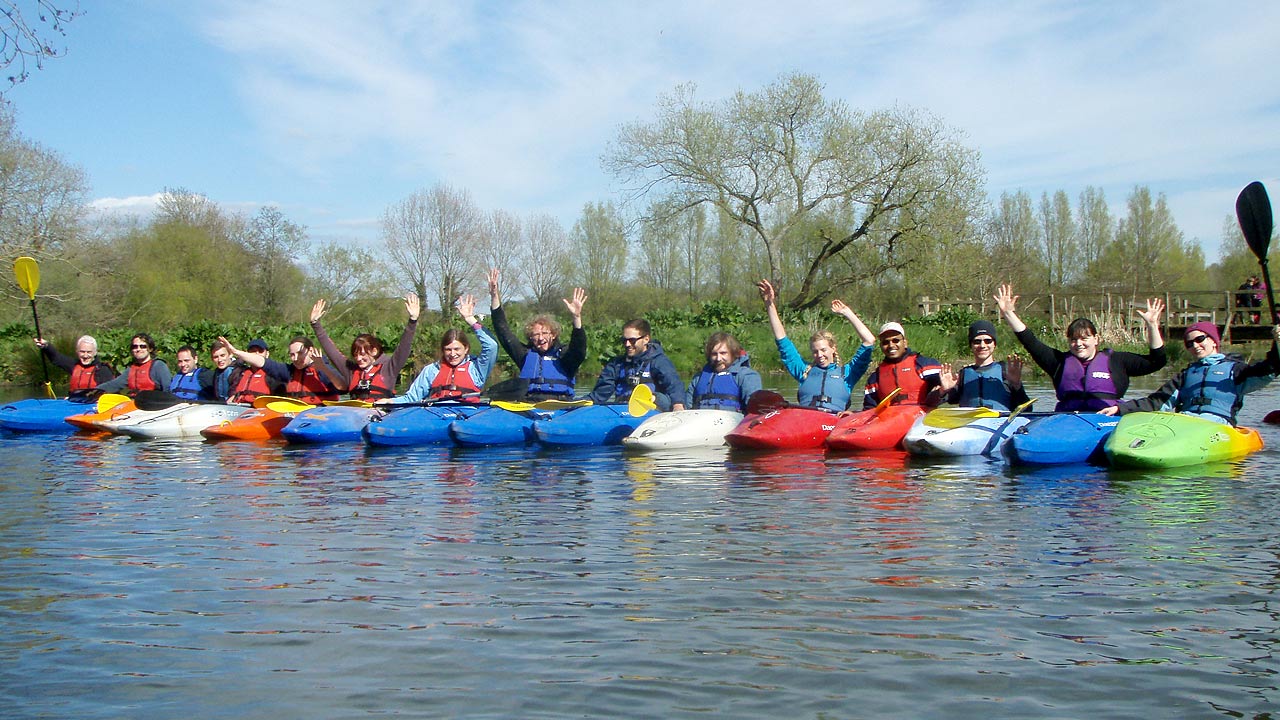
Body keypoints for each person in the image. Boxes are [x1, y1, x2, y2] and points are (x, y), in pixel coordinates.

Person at [994, 283, 1166, 412]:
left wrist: (1152, 326)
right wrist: (1008, 313)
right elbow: (1030, 341)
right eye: (1073, 339)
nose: (1078, 344)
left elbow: (1156, 361)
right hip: (1069, 421)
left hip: (1106, 420)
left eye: (1085, 338)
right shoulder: (1058, 363)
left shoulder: (1116, 361)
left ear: (1096, 339)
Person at [1099, 322, 1280, 425]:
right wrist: (1120, 408)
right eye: (1189, 343)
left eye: (1200, 339)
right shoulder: (1186, 375)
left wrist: (1277, 345)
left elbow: (1267, 370)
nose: (1195, 346)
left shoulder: (1236, 369)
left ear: (1214, 341)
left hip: (1218, 426)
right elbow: (1157, 401)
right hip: (1187, 423)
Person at [756, 279, 875, 411]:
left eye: (823, 350)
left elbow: (869, 340)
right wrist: (769, 304)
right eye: (815, 351)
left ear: (833, 348)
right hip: (806, 422)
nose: (819, 355)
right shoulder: (804, 371)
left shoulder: (848, 373)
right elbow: (782, 340)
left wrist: (847, 312)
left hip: (834, 423)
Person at [487, 268, 587, 400]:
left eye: (545, 333)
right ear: (530, 338)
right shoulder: (524, 354)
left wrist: (576, 317)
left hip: (560, 403)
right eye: (535, 335)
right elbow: (503, 332)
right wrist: (494, 296)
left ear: (553, 334)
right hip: (529, 403)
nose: (540, 338)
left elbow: (579, 348)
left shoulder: (565, 356)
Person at [382, 294, 498, 405]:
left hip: (467, 412)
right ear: (443, 350)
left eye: (457, 349)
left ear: (466, 349)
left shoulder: (477, 369)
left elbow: (491, 346)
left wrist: (470, 319)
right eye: (448, 349)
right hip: (437, 413)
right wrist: (390, 402)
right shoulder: (431, 370)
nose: (453, 354)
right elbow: (412, 398)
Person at [310, 293, 420, 401]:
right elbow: (332, 351)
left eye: (362, 354)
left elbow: (404, 347)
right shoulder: (350, 371)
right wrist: (315, 324)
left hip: (381, 415)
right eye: (356, 355)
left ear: (374, 351)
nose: (358, 359)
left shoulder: (389, 367)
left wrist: (412, 321)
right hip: (356, 415)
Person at [588, 319, 686, 411]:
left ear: (646, 339)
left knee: (666, 400)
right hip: (623, 412)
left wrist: (678, 406)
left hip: (651, 412)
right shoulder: (616, 364)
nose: (627, 344)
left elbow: (675, 387)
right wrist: (578, 404)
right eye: (624, 340)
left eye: (632, 340)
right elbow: (599, 395)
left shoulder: (659, 362)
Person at [935, 320, 1030, 411]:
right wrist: (944, 391)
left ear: (994, 344)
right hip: (972, 424)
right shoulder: (963, 374)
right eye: (977, 341)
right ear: (971, 345)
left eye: (988, 341)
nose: (982, 345)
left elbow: (1028, 409)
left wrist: (1017, 386)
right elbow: (937, 403)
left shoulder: (1005, 371)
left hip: (999, 424)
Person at [861, 321, 944, 409]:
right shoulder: (875, 377)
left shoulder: (924, 365)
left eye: (896, 340)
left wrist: (945, 389)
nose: (891, 345)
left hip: (920, 417)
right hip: (891, 419)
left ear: (905, 343)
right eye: (885, 342)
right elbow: (869, 408)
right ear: (881, 346)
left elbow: (947, 393)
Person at [686, 332, 762, 412]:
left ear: (733, 353)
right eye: (714, 354)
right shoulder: (698, 378)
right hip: (701, 422)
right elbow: (687, 406)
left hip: (734, 422)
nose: (718, 358)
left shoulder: (746, 376)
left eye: (723, 353)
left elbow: (755, 410)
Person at [32, 335, 116, 397]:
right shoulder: (74, 365)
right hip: (74, 404)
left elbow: (110, 392)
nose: (85, 356)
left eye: (89, 352)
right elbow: (57, 358)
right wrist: (46, 346)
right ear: (77, 351)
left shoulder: (103, 370)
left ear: (95, 352)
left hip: (93, 406)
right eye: (82, 352)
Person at [218, 337, 291, 404]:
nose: (256, 354)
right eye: (253, 351)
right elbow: (234, 395)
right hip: (240, 409)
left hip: (260, 409)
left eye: (260, 351)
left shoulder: (273, 375)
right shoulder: (240, 373)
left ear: (267, 354)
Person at [97, 333, 172, 395]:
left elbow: (168, 389)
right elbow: (115, 384)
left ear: (150, 349)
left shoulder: (158, 366)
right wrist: (94, 390)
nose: (138, 349)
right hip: (134, 403)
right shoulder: (131, 368)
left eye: (142, 346)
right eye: (135, 347)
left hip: (153, 403)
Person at [283, 336, 343, 405]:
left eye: (300, 353)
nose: (296, 358)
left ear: (310, 351)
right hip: (296, 412)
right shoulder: (289, 371)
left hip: (322, 412)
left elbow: (341, 388)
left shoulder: (324, 370)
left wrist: (322, 368)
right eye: (292, 355)